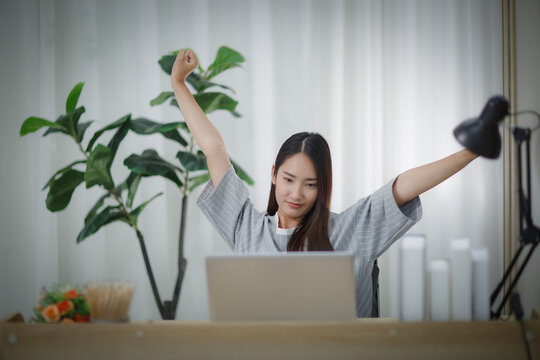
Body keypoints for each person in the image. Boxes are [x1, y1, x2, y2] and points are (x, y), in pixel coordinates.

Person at [171, 49, 478, 318]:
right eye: (289, 179)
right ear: (273, 174)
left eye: (310, 184)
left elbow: (404, 186)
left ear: (322, 188)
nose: (296, 194)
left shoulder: (352, 230)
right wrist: (179, 84)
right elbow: (214, 149)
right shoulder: (245, 227)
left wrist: (472, 151)